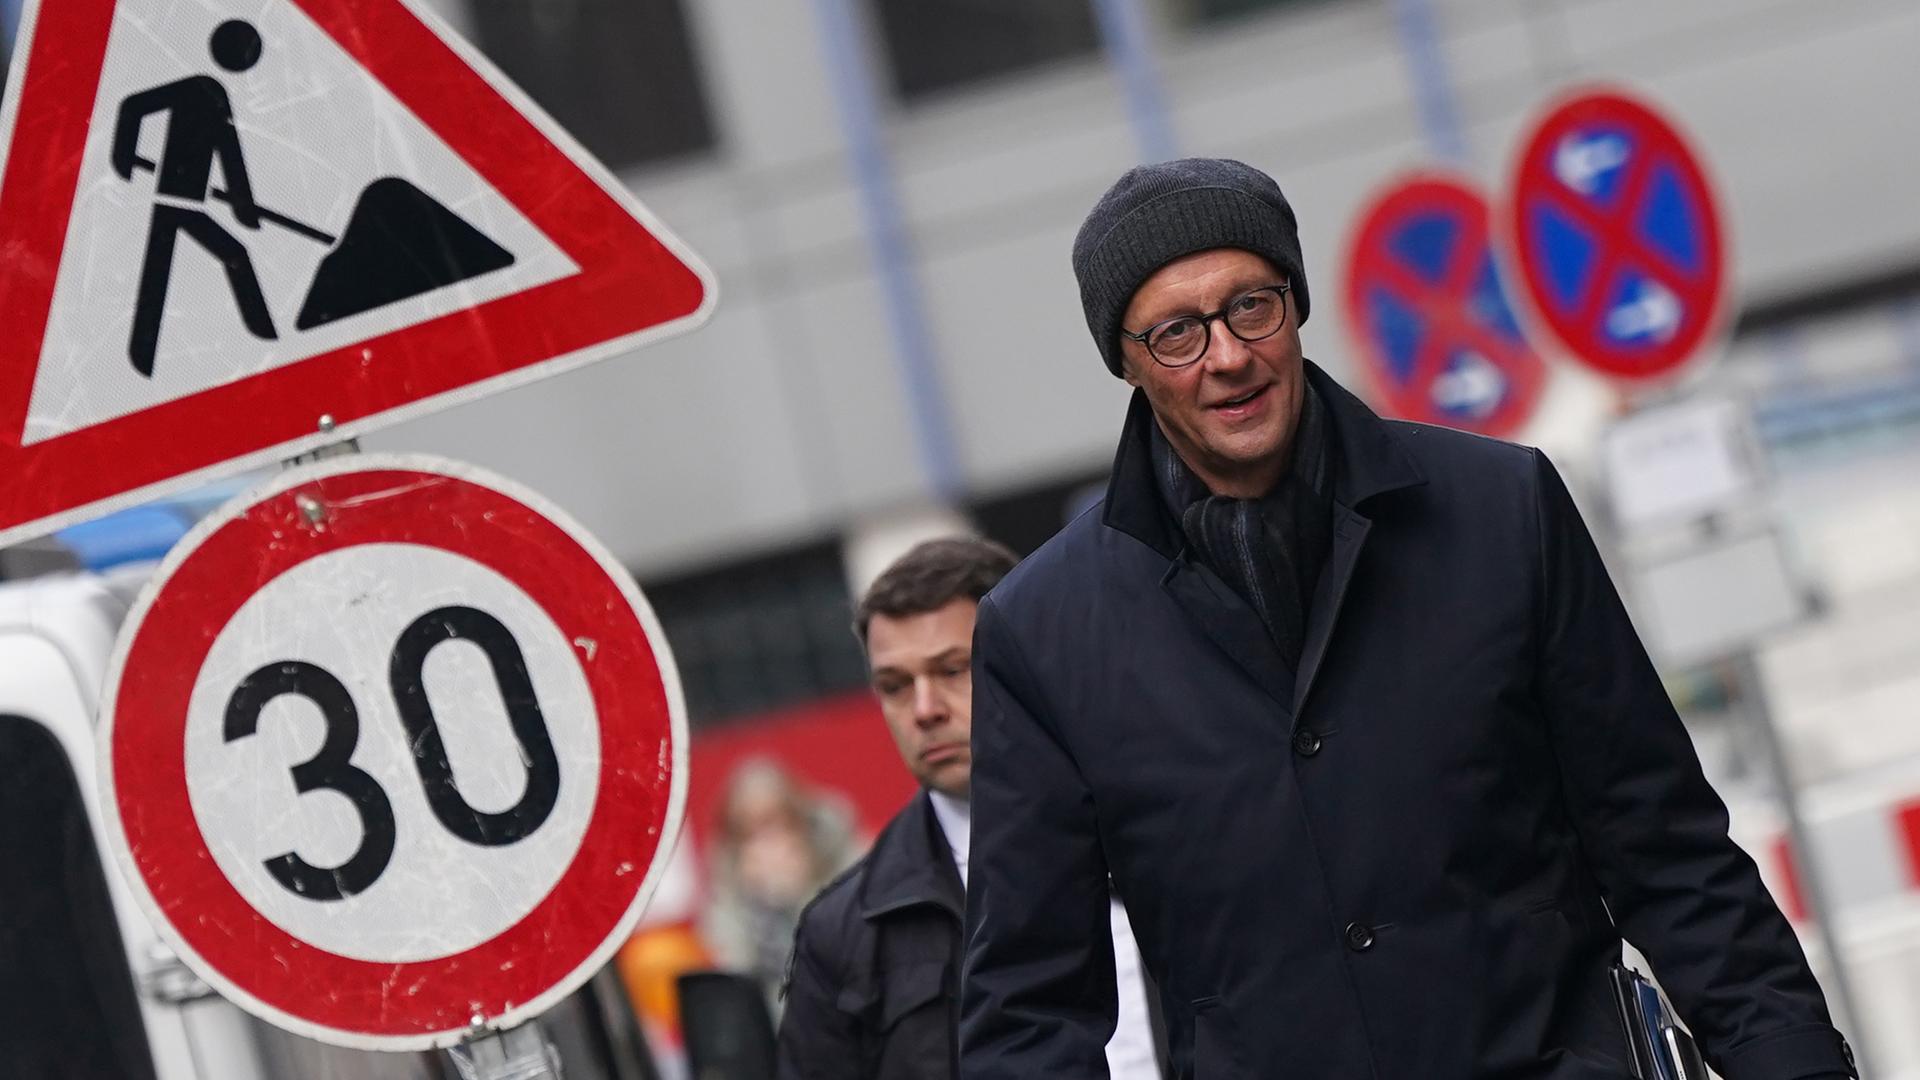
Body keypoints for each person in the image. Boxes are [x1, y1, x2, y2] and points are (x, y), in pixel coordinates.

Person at [957, 158, 1857, 1080]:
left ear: (1295, 305)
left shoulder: (1504, 510)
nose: (1226, 355)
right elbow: (1028, 1012)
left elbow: (1670, 856)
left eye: (1251, 306)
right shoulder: (1042, 636)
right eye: (1177, 333)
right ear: (1128, 360)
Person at [779, 538, 1166, 1080]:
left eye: (954, 669)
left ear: (1026, 655)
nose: (924, 709)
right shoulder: (844, 933)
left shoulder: (1174, 823)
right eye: (894, 685)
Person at [112, 20, 279, 376]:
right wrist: (122, 157)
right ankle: (268, 339)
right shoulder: (200, 87)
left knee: (161, 273)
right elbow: (133, 107)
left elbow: (229, 156)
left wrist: (243, 207)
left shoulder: (216, 94)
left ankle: (141, 359)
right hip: (173, 200)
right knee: (227, 256)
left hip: (186, 202)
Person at [701, 758, 860, 1014]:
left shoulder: (847, 860)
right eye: (749, 832)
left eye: (774, 822)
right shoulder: (727, 897)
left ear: (800, 821)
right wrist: (762, 906)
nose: (766, 842)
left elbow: (852, 951)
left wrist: (801, 897)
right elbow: (739, 976)